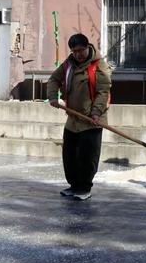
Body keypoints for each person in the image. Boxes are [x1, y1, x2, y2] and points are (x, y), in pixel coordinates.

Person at [47, 33, 111, 201]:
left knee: (87, 156)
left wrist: (96, 112)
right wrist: (53, 96)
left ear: (87, 47)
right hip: (73, 119)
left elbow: (103, 93)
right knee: (69, 155)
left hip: (92, 121)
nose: (77, 54)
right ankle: (74, 185)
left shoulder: (99, 66)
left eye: (80, 50)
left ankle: (84, 187)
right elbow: (54, 78)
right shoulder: (68, 64)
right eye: (74, 51)